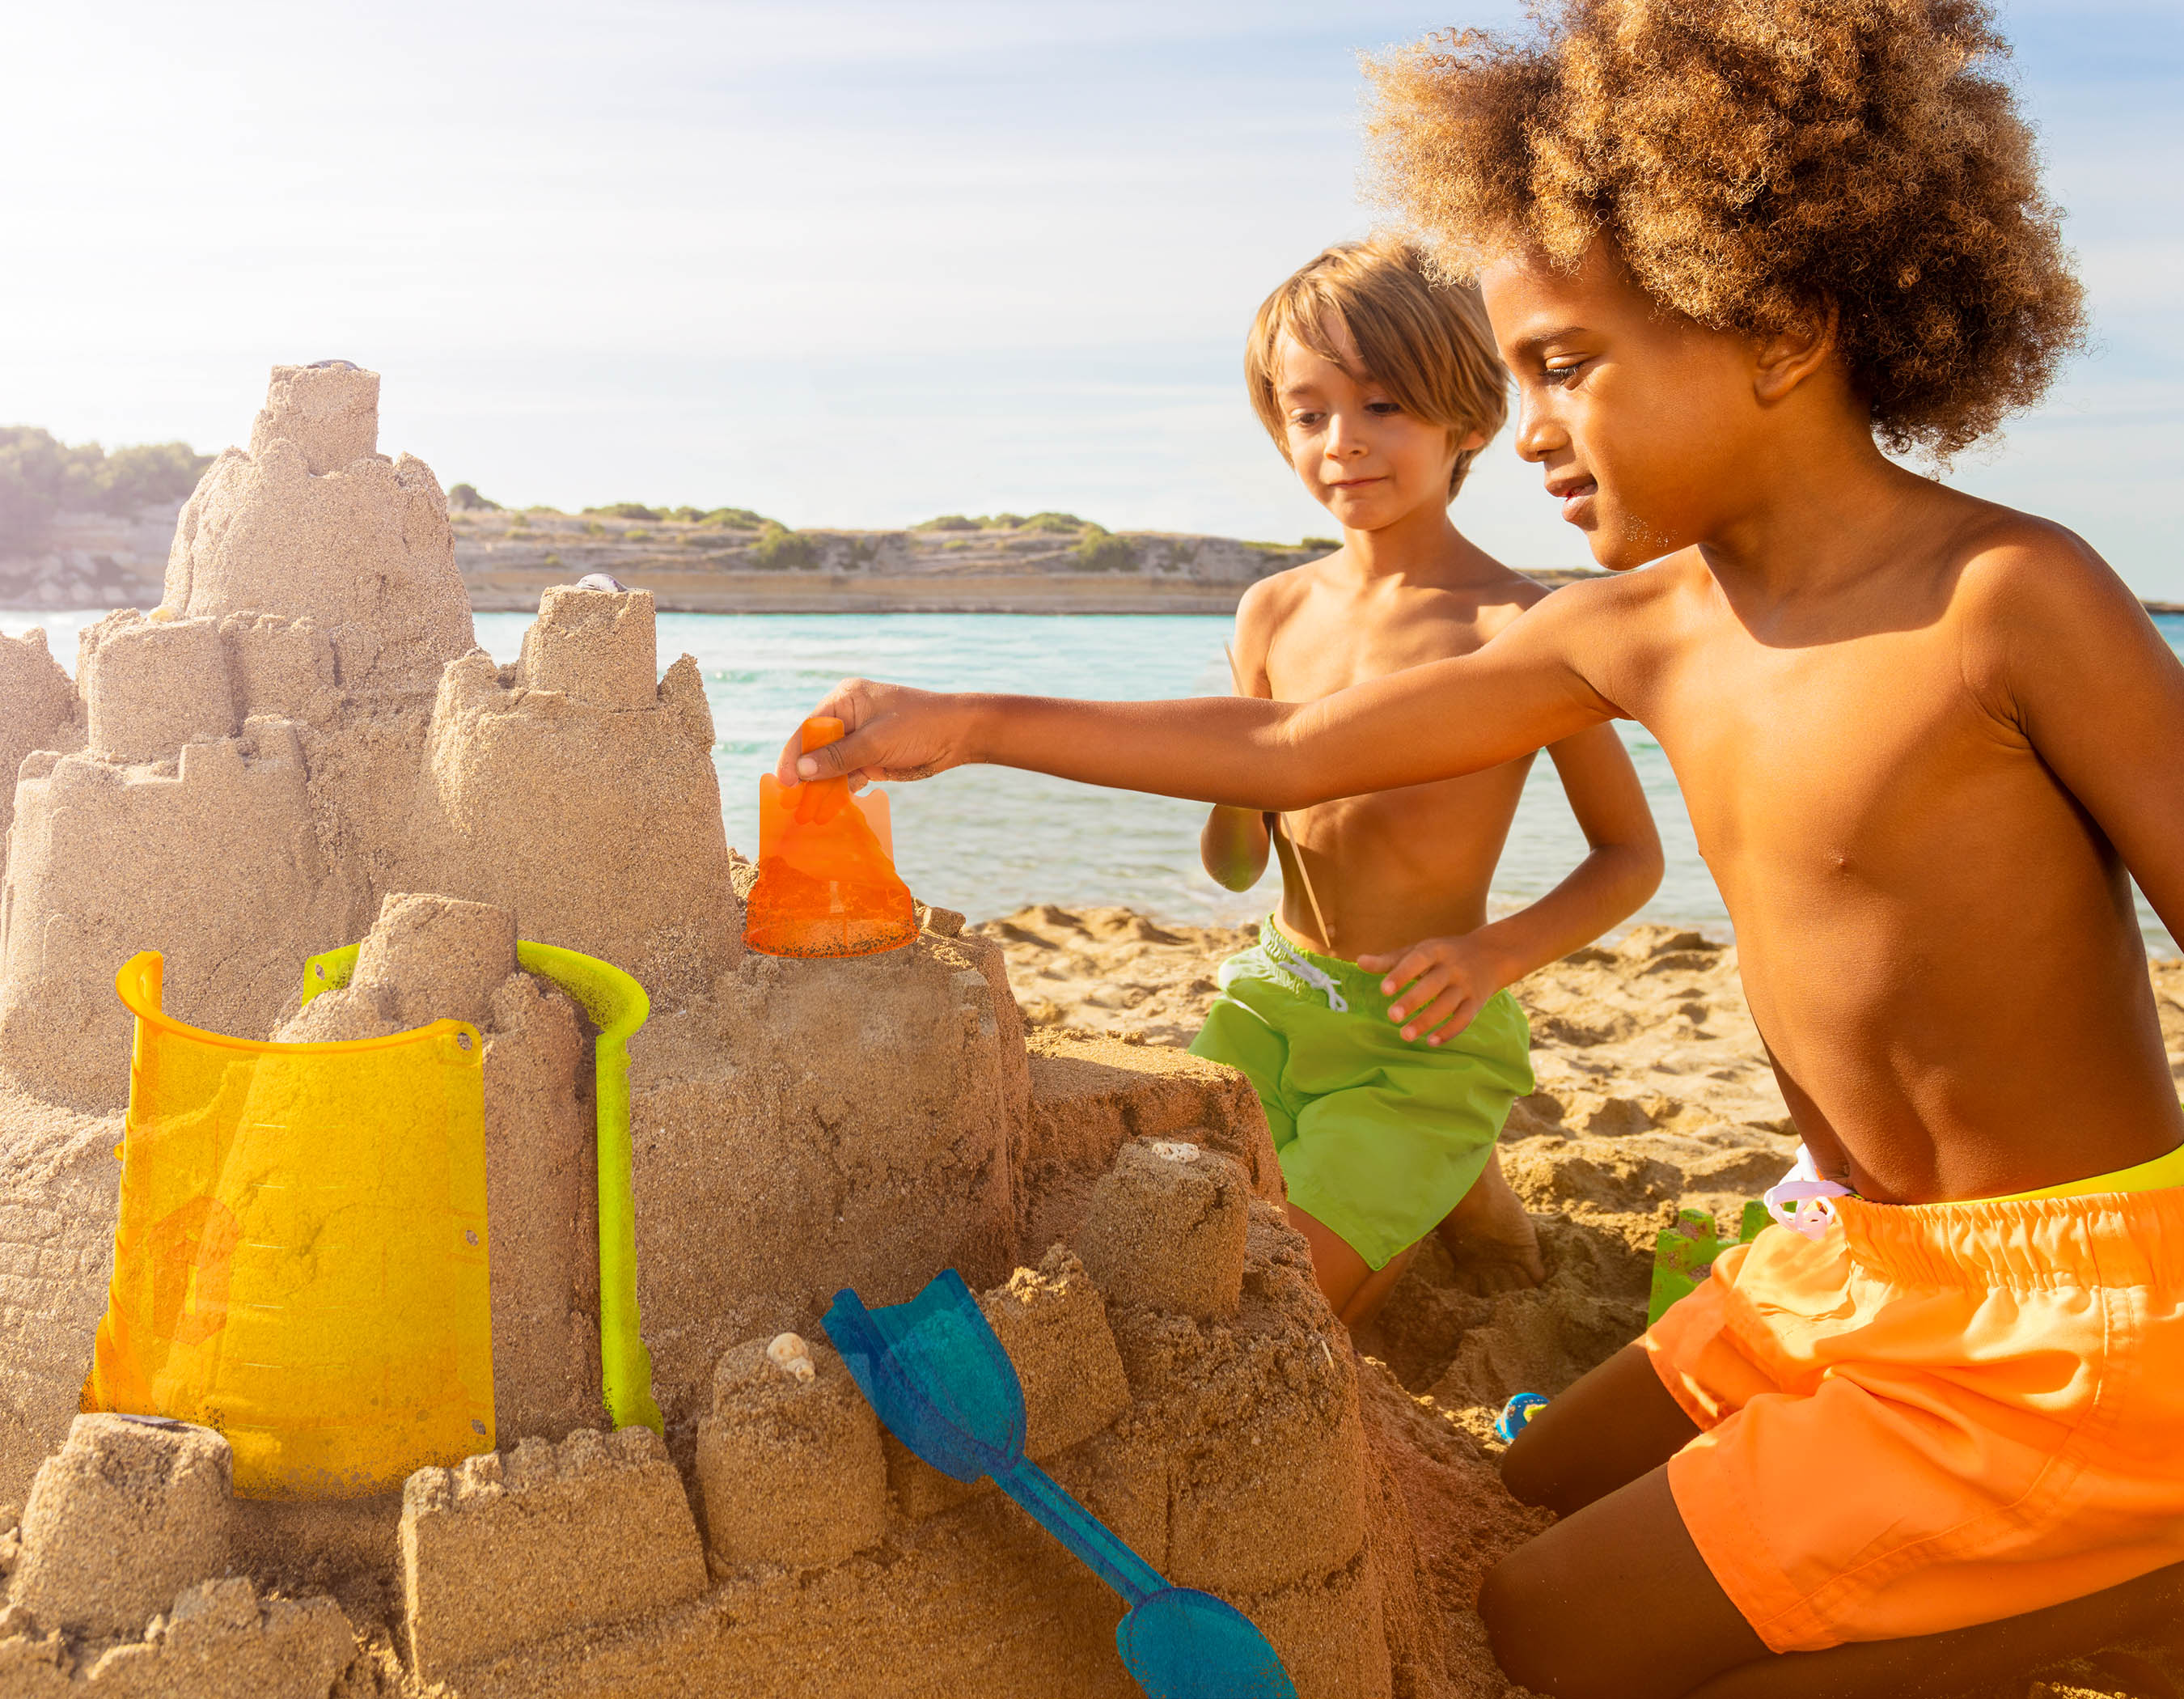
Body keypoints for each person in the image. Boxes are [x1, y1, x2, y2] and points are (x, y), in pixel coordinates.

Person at [775, 0, 2184, 1689]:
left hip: (2065, 1313)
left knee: (1551, 1633)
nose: (1524, 431)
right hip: (1841, 1253)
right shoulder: (1643, 626)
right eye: (1516, 378)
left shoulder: (2009, 600)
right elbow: (1294, 745)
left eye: (1565, 368)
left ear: (1786, 325)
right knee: (1526, 1486)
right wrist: (978, 719)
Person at [1192, 238, 1661, 1328]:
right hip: (1273, 1002)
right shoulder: (1272, 613)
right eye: (1308, 415)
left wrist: (1494, 956)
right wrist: (1228, 775)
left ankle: (1441, 1170)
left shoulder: (1523, 628)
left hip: (1422, 1030)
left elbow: (1631, 857)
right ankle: (1459, 1193)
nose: (1342, 444)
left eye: (1384, 406)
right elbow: (1231, 867)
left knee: (1275, 1299)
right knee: (1165, 1224)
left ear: (1470, 420)